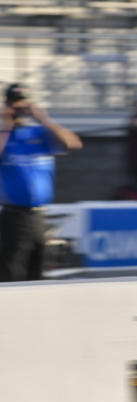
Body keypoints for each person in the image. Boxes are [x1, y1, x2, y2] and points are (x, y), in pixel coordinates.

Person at [0, 84, 82, 282]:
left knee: (35, 277)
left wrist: (44, 120)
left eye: (24, 103)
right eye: (16, 104)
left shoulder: (40, 133)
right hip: (13, 217)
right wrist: (6, 123)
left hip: (38, 217)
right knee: (11, 275)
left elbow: (72, 144)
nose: (21, 109)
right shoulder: (4, 135)